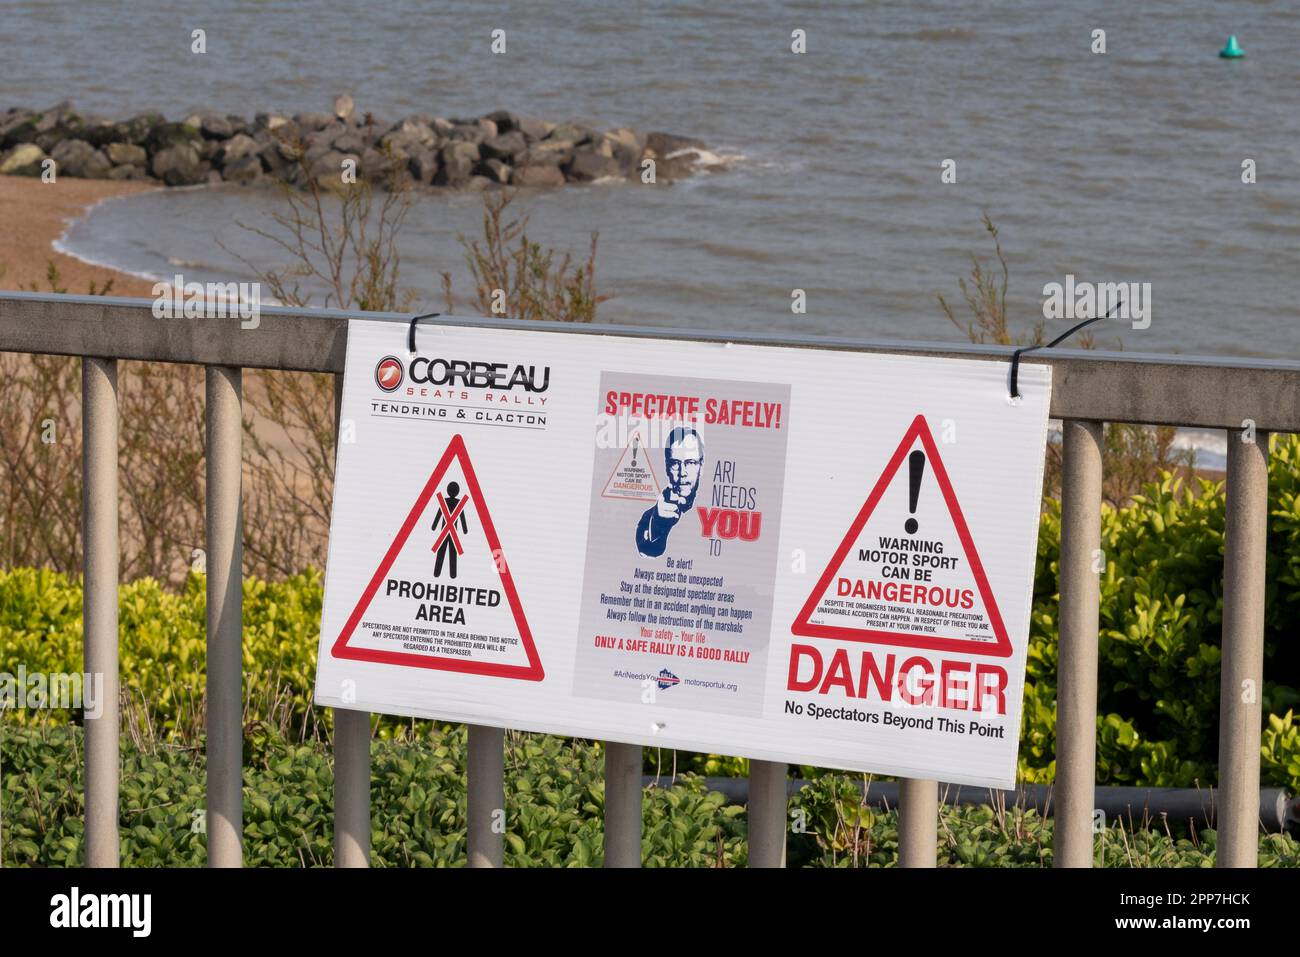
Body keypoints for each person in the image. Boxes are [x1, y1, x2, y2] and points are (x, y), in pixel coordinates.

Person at [636, 427, 704, 558]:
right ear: (667, 467)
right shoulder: (651, 516)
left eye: (690, 463)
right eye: (675, 464)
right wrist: (658, 523)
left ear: (701, 466)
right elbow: (646, 552)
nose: (682, 472)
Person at [431, 481, 469, 578]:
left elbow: (438, 515)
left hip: (444, 532)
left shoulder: (444, 501)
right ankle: (453, 574)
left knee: (441, 551)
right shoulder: (458, 503)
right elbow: (462, 517)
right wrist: (465, 530)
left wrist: (434, 526)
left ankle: (437, 573)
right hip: (453, 533)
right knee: (452, 553)